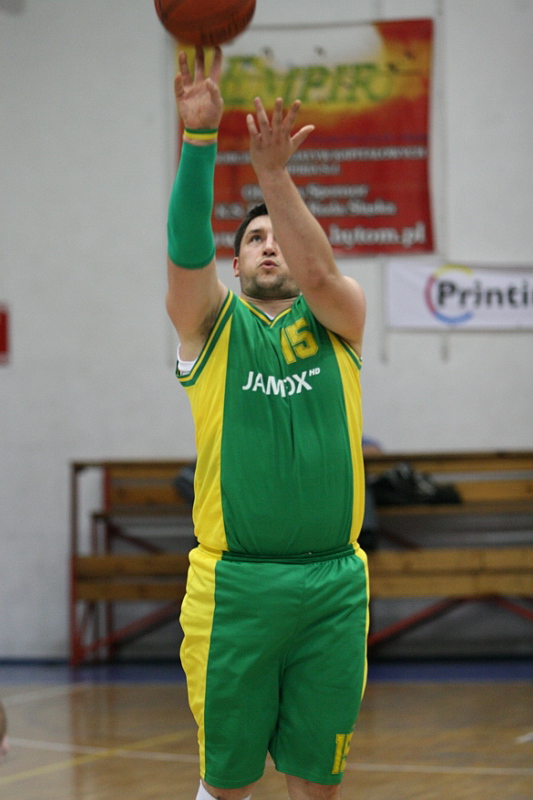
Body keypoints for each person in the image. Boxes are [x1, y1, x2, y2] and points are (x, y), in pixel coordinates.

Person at [166, 46, 369, 800]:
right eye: (253, 238)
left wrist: (272, 177)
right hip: (236, 589)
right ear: (237, 264)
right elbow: (185, 250)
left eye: (278, 233)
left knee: (317, 785)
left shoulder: (341, 319)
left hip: (334, 586)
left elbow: (319, 274)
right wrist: (199, 140)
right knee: (228, 784)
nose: (269, 243)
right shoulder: (210, 327)